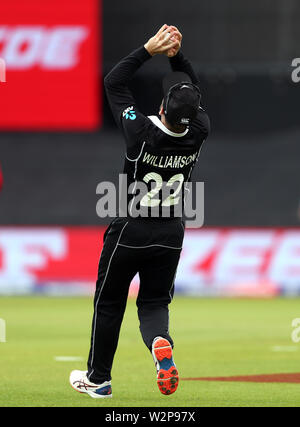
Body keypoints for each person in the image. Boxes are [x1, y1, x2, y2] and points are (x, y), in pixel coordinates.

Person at [70, 25, 210, 399]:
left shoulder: (140, 132)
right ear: (193, 113)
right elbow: (195, 97)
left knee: (109, 301)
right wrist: (177, 57)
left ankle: (99, 379)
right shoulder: (199, 130)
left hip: (129, 228)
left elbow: (114, 81)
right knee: (153, 302)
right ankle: (160, 344)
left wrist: (150, 49)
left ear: (162, 108)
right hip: (171, 233)